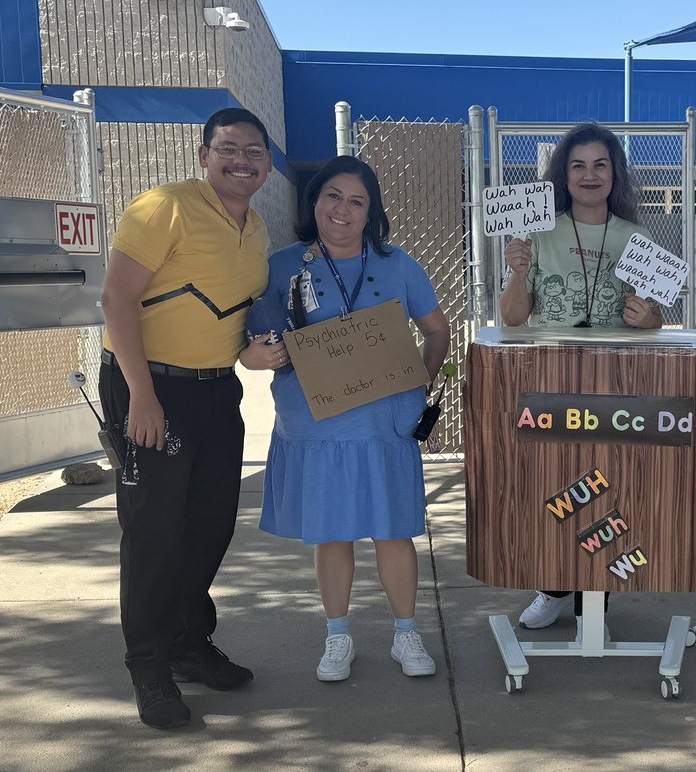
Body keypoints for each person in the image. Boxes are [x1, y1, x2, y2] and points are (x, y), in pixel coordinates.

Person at [99, 107, 280, 729]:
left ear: (268, 163)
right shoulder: (163, 207)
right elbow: (116, 298)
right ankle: (148, 668)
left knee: (209, 527)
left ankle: (186, 643)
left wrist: (252, 355)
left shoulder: (255, 229)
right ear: (204, 154)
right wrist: (141, 398)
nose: (241, 160)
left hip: (215, 391)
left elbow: (228, 319)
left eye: (254, 151)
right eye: (228, 148)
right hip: (151, 388)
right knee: (154, 535)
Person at [248, 155, 450, 684]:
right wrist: (255, 357)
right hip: (315, 427)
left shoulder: (398, 264)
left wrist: (420, 383)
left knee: (392, 532)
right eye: (332, 196)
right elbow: (251, 342)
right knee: (331, 534)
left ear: (371, 213)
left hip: (384, 427)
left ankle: (407, 633)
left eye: (357, 201)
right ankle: (337, 636)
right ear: (314, 202)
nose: (343, 209)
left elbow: (437, 330)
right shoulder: (282, 265)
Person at [499, 122, 661, 637]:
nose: (589, 175)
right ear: (562, 175)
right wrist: (518, 271)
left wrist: (647, 318)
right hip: (551, 381)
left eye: (600, 165)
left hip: (616, 384)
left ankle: (599, 594)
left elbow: (655, 317)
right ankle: (552, 586)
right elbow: (512, 320)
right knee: (554, 486)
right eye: (578, 165)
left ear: (615, 173)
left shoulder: (635, 238)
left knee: (609, 489)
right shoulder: (538, 232)